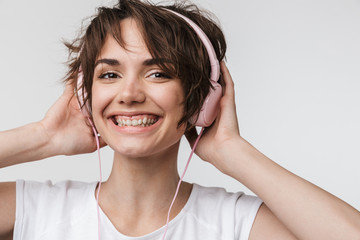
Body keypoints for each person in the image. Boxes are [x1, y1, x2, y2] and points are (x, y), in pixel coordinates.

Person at [0, 0, 360, 239]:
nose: (129, 94)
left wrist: (232, 152)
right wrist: (43, 137)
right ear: (86, 95)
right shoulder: (36, 208)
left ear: (200, 98)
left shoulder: (233, 223)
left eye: (158, 74)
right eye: (109, 75)